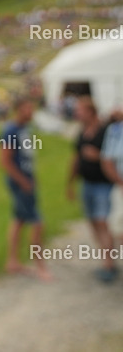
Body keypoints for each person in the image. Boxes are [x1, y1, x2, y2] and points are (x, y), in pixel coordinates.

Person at [0, 96, 51, 279]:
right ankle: (41, 267)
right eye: (28, 108)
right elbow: (5, 160)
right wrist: (23, 181)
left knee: (19, 220)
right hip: (20, 182)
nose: (31, 112)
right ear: (19, 109)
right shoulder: (10, 130)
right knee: (37, 223)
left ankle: (12, 261)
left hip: (27, 178)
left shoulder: (25, 129)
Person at [66, 96, 117, 282]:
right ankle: (106, 260)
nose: (77, 114)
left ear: (90, 111)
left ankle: (109, 264)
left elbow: (115, 156)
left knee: (102, 222)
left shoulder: (106, 131)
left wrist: (98, 156)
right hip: (86, 184)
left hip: (103, 185)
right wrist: (70, 182)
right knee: (94, 223)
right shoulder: (82, 132)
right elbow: (76, 158)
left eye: (80, 110)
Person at [101, 109, 123, 253]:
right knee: (119, 227)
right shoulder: (116, 130)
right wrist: (120, 183)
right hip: (120, 185)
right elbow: (107, 159)